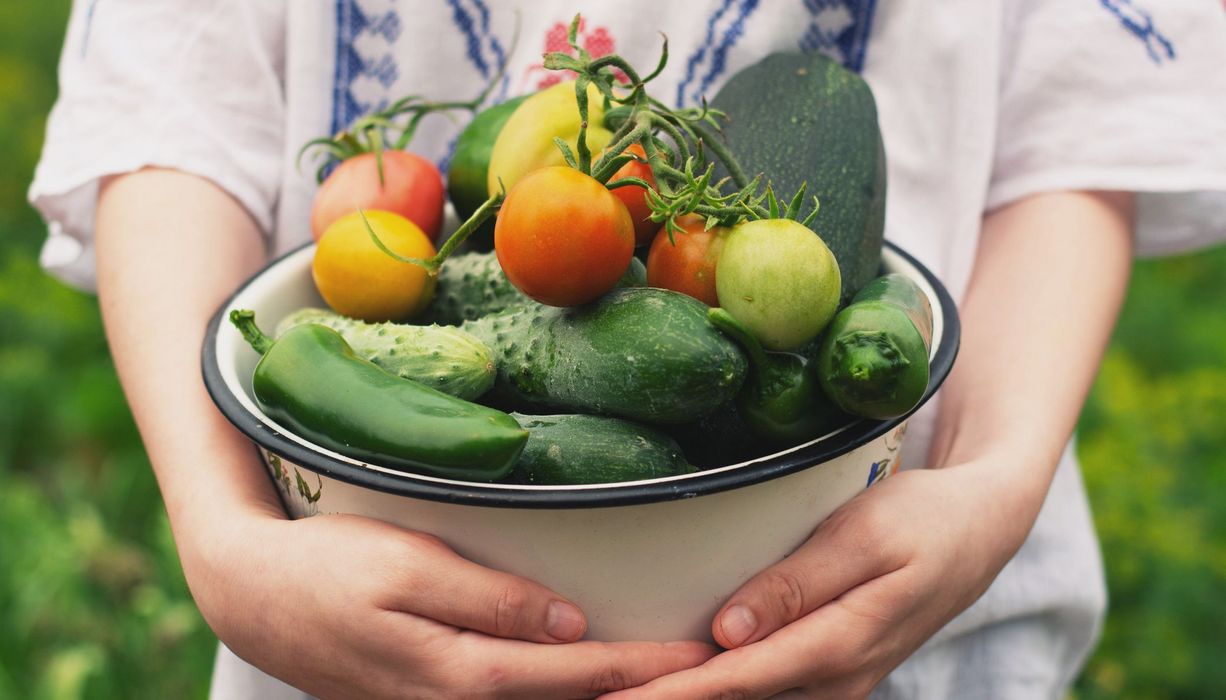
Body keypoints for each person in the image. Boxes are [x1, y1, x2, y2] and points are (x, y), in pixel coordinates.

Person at [30, 1, 1226, 698]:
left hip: (900, 613)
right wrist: (222, 530)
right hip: (359, 633)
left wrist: (991, 481)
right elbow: (171, 118)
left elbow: (1070, 140)